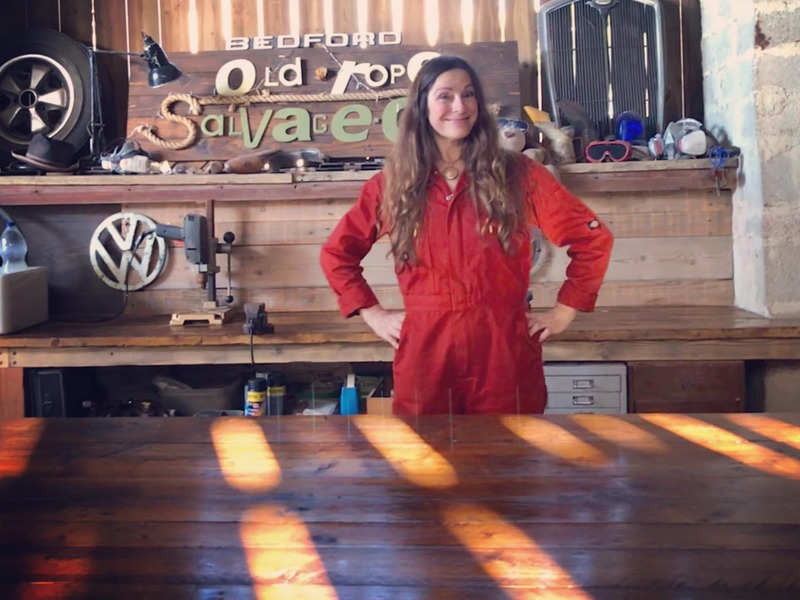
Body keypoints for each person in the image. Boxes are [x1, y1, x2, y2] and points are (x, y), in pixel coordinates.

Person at [320, 55, 613, 415]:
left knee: (509, 456)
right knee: (425, 460)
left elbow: (593, 239)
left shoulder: (519, 175)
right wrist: (373, 314)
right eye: (445, 95)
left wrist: (564, 312)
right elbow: (337, 254)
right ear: (422, 105)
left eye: (468, 94)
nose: (459, 106)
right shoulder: (394, 185)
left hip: (503, 353)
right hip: (427, 354)